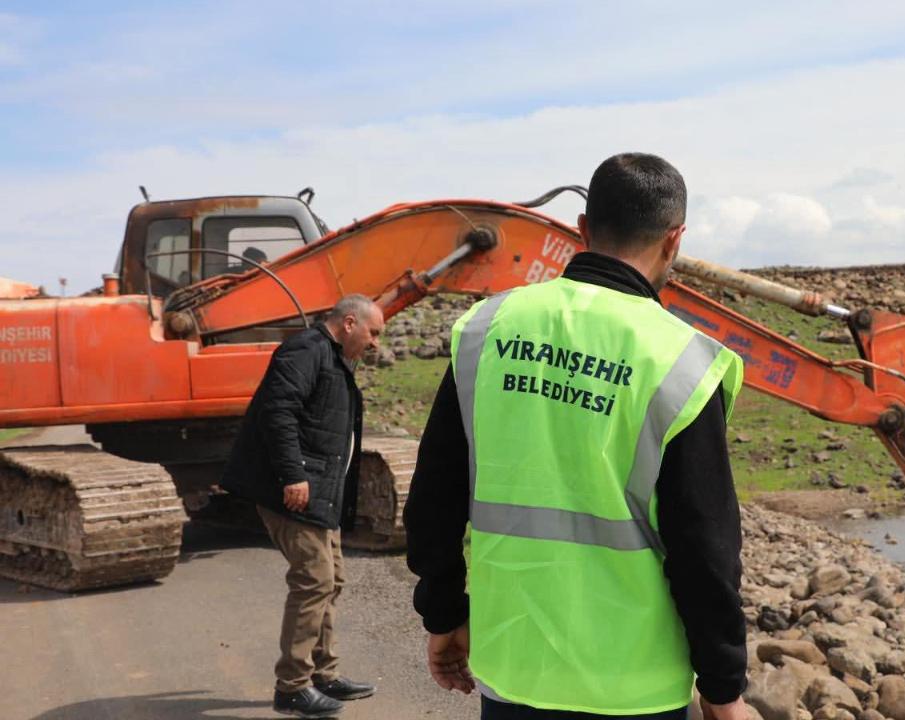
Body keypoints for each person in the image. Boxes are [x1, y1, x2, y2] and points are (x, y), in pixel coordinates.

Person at [404, 153, 751, 719]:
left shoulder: (487, 331)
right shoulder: (682, 361)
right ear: (674, 240)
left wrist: (443, 614)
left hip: (514, 670)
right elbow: (705, 552)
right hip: (634, 689)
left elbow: (433, 500)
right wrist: (722, 688)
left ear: (583, 229)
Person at [222, 294, 385, 718]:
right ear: (349, 323)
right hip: (296, 490)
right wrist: (292, 474)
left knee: (332, 580)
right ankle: (292, 686)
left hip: (321, 493)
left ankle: (323, 674)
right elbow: (278, 412)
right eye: (373, 333)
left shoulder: (334, 358)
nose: (376, 344)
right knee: (314, 580)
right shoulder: (305, 350)